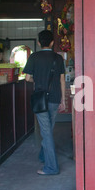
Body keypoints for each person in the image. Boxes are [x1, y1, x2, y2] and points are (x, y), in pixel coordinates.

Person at [23, 30, 66, 175]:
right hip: (54, 98)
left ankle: (51, 167)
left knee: (46, 132)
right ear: (53, 42)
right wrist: (63, 100)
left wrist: (38, 80)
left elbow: (27, 78)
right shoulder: (58, 58)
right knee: (48, 130)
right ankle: (43, 156)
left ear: (39, 42)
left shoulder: (34, 57)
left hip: (40, 99)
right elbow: (61, 80)